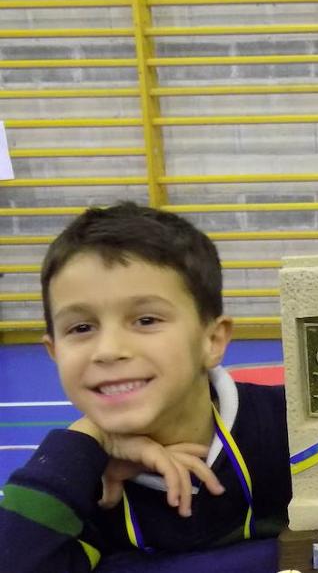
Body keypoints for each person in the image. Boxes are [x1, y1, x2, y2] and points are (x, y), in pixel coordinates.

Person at [0, 203, 290, 572]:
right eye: (81, 328)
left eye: (146, 319)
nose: (108, 351)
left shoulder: (290, 429)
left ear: (212, 340)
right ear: (54, 352)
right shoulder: (78, 489)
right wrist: (90, 437)